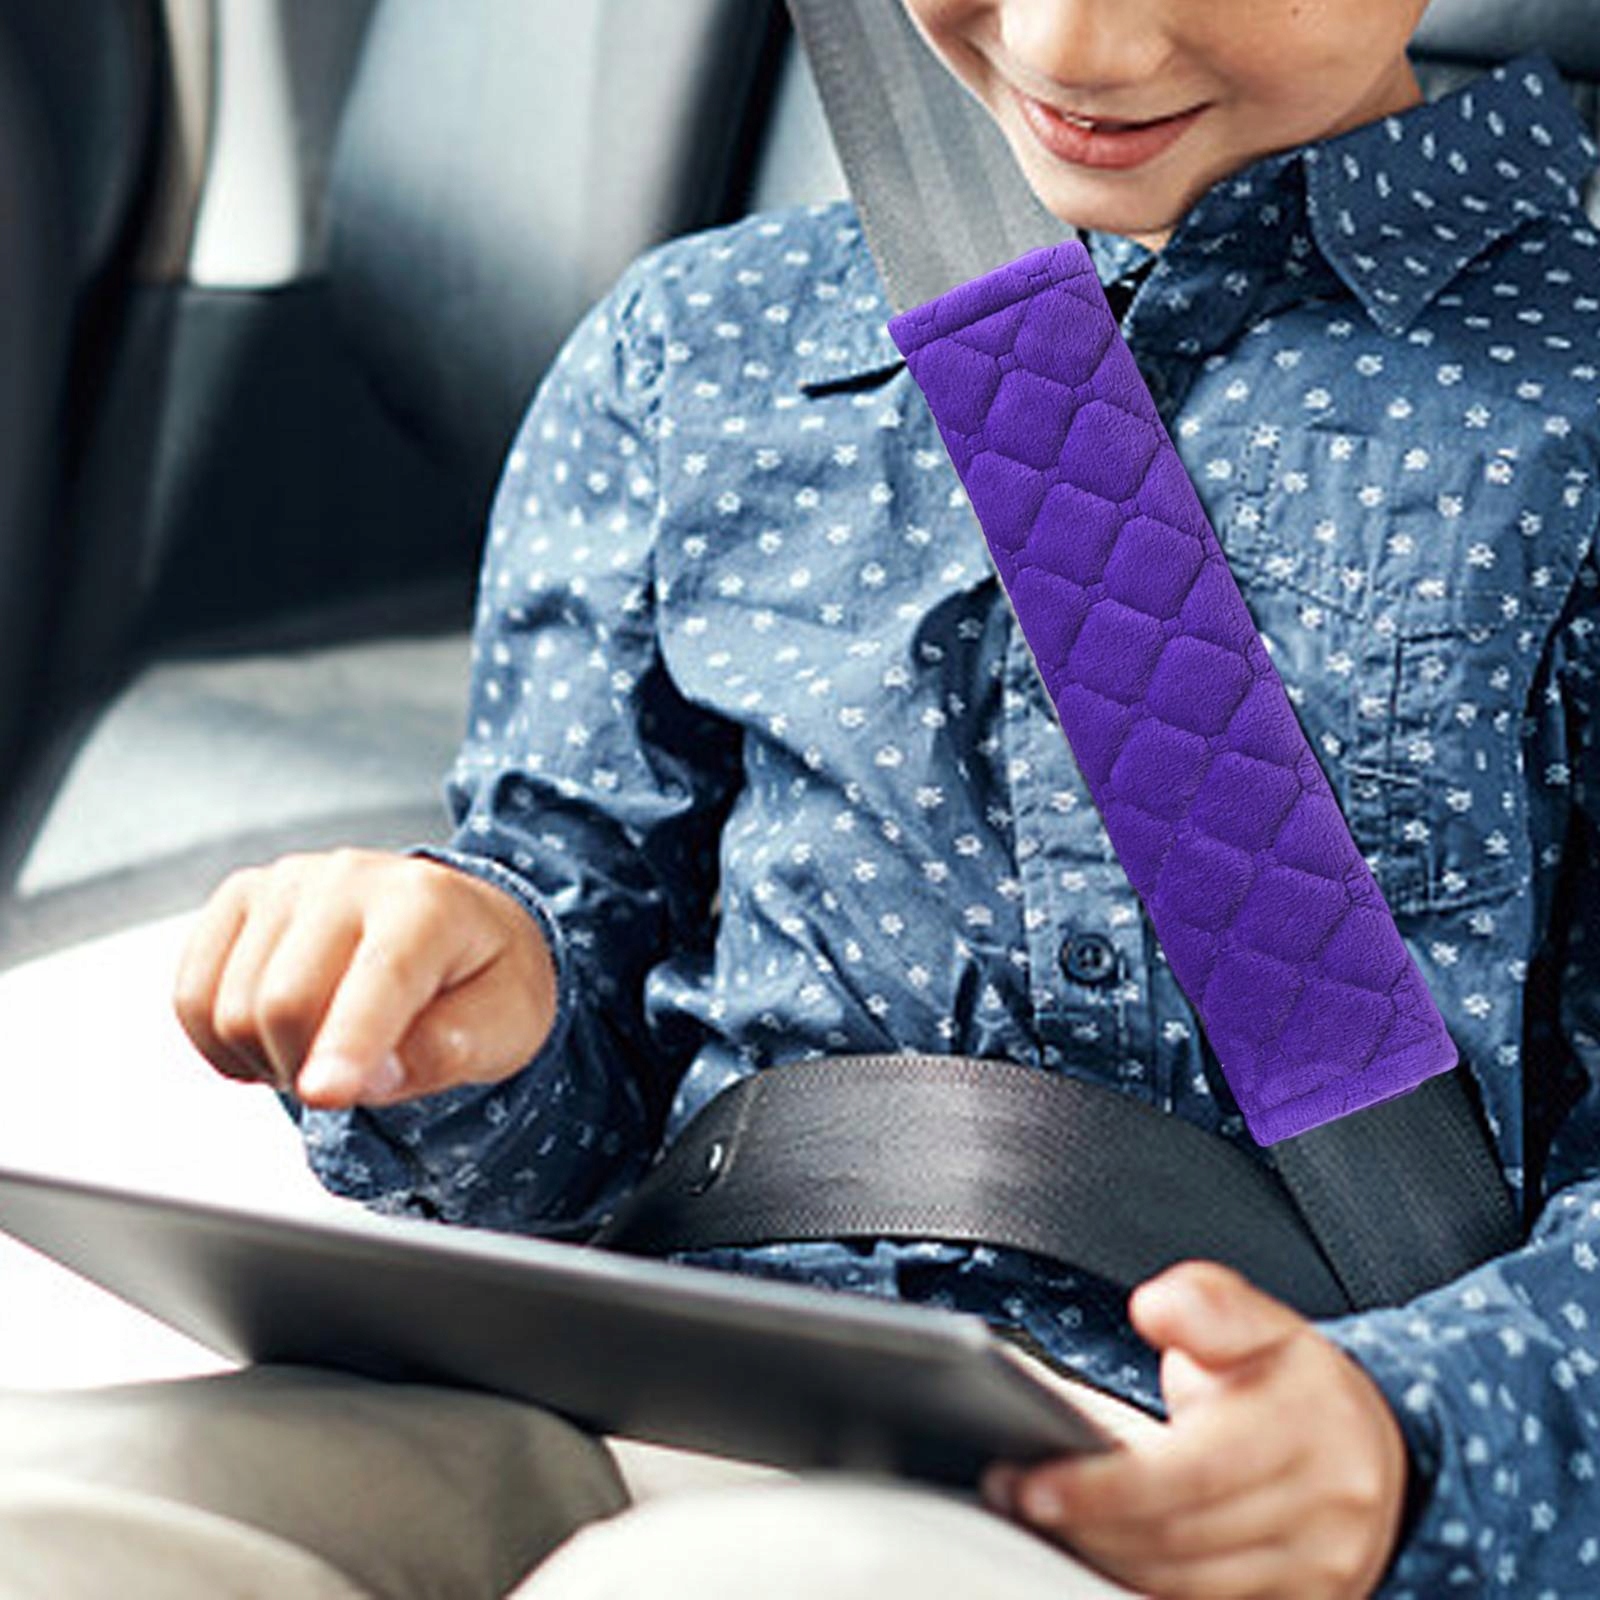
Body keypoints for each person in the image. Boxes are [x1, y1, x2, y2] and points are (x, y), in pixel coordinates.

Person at [4, 0, 1599, 1594]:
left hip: (1193, 1485)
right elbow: (580, 1049)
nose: (1075, 47)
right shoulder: (698, 347)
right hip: (643, 1369)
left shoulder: (1566, 402)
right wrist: (471, 1005)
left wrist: (1402, 1446)